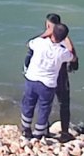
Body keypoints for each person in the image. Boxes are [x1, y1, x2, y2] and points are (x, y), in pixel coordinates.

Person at [25, 13, 80, 141]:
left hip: (44, 79)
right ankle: (64, 133)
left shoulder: (42, 41)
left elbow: (29, 48)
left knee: (43, 105)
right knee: (63, 104)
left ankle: (43, 130)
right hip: (61, 79)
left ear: (48, 26)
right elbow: (75, 64)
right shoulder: (65, 42)